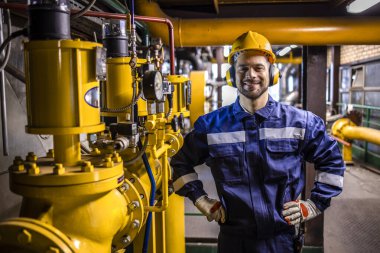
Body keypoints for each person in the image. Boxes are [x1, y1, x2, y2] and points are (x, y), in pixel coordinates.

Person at [170, 31, 345, 253]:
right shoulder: (211, 126)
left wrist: (315, 204)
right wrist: (200, 199)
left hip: (281, 241)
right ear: (232, 75)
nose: (250, 74)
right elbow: (179, 163)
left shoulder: (302, 124)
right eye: (243, 68)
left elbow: (332, 163)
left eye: (258, 67)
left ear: (272, 73)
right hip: (233, 241)